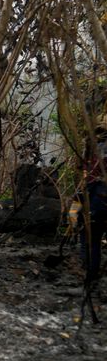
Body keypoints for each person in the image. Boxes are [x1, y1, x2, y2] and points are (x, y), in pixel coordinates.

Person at [80, 116, 107, 284]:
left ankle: (90, 276)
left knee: (91, 236)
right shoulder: (91, 147)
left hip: (97, 194)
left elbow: (84, 172)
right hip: (95, 193)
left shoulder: (91, 147)